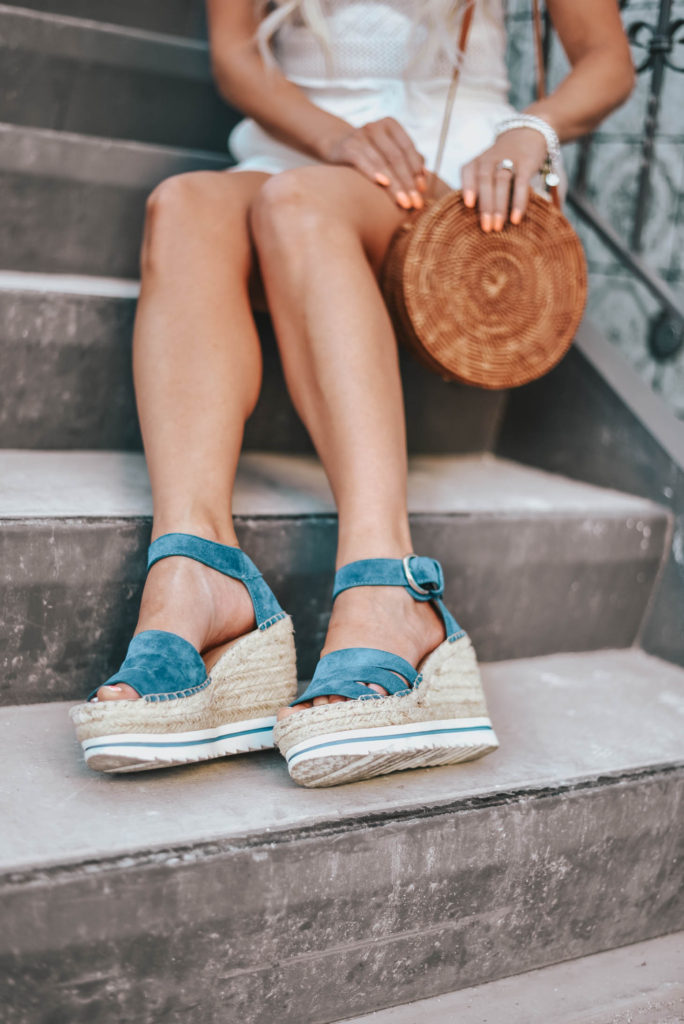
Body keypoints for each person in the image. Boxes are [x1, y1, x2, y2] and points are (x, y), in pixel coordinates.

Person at [69, 0, 634, 785]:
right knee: (185, 206)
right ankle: (197, 575)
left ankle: (389, 587)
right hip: (296, 144)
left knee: (297, 202)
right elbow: (237, 54)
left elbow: (606, 58)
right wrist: (331, 137)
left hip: (448, 166)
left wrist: (530, 130)